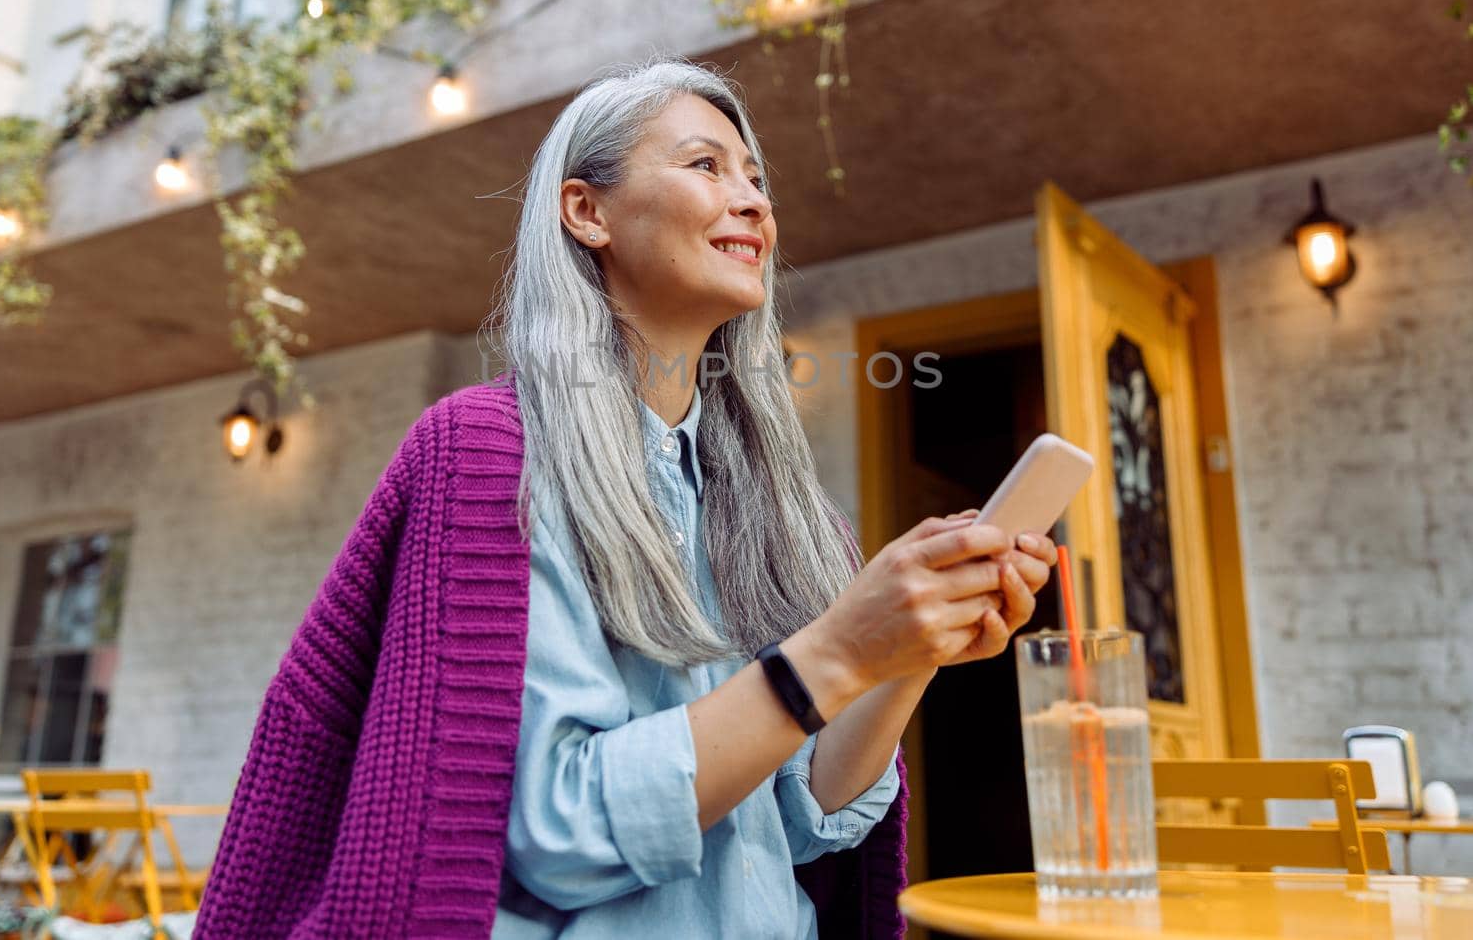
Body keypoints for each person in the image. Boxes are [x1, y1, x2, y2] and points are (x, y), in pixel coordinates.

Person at [193, 58, 1055, 940]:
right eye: (705, 165)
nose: (755, 201)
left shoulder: (790, 513)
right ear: (586, 211)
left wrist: (902, 652)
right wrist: (835, 652)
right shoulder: (493, 455)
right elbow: (555, 831)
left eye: (756, 179)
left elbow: (809, 822)